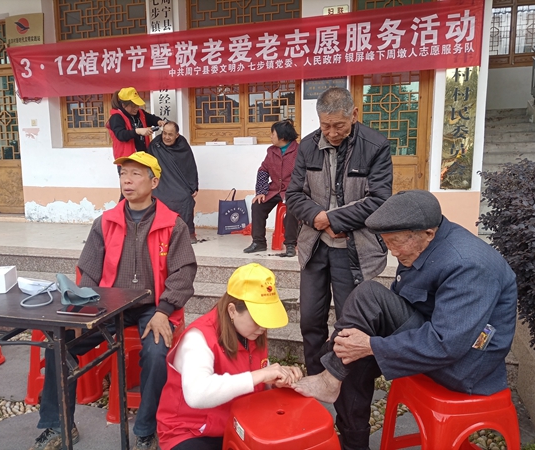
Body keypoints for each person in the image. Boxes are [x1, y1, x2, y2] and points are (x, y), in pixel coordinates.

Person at [293, 190, 518, 450]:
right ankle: (351, 436)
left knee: (363, 323)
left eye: (395, 243)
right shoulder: (418, 245)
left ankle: (332, 378)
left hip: (465, 365)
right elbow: (400, 302)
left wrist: (372, 346)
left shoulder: (468, 264)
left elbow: (447, 344)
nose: (393, 251)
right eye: (387, 243)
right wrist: (361, 343)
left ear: (428, 233)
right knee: (352, 347)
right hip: (433, 336)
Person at [30, 152, 197, 450]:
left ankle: (146, 429)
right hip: (108, 305)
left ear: (154, 182)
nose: (127, 180)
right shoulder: (105, 222)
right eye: (123, 174)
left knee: (157, 354)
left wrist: (164, 310)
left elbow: (183, 272)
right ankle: (59, 425)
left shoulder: (173, 224)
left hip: (152, 308)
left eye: (135, 174)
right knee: (59, 344)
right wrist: (81, 311)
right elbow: (89, 271)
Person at [285, 87, 393, 375]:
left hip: (353, 250)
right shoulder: (307, 146)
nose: (332, 133)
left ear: (354, 115)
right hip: (315, 246)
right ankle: (316, 377)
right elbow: (293, 194)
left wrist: (333, 220)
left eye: (339, 126)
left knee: (350, 323)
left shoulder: (375, 146)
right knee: (310, 319)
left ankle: (348, 385)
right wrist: (318, 219)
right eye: (326, 126)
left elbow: (379, 199)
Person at [156, 263, 303, 450]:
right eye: (258, 318)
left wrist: (274, 379)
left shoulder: (251, 331)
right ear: (232, 310)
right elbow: (196, 394)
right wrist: (260, 375)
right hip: (192, 430)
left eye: (266, 318)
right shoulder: (198, 338)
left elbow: (252, 369)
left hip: (237, 421)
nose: (263, 327)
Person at [243, 119, 300, 257]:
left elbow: (303, 174)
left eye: (272, 134)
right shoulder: (271, 151)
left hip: (293, 190)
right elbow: (263, 170)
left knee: (292, 209)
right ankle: (259, 242)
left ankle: (290, 244)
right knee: (257, 205)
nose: (270, 136)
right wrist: (261, 191)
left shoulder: (299, 151)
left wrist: (295, 191)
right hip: (274, 189)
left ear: (282, 136)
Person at [147, 121, 199, 244]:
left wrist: (194, 186)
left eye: (170, 134)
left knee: (186, 198)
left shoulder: (182, 146)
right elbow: (148, 165)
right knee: (158, 199)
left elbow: (190, 166)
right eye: (164, 133)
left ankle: (187, 233)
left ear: (177, 135)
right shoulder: (156, 145)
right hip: (161, 184)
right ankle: (161, 234)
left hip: (179, 185)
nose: (166, 137)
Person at [107, 87, 166, 160]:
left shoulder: (140, 113)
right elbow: (121, 135)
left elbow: (151, 118)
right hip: (127, 159)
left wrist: (158, 121)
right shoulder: (116, 117)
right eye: (133, 106)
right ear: (123, 105)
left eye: (137, 105)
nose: (136, 108)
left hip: (143, 155)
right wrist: (138, 131)